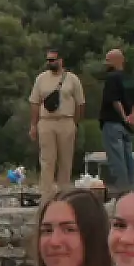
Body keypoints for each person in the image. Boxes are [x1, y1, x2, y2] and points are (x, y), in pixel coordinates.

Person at [28, 48, 86, 199]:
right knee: (47, 159)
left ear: (60, 61)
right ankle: (46, 194)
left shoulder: (72, 79)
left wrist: (75, 123)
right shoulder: (41, 78)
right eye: (48, 60)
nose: (50, 63)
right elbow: (34, 102)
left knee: (65, 160)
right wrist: (33, 125)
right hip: (46, 122)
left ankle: (64, 193)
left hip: (66, 120)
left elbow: (80, 103)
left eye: (53, 60)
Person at [98, 49, 134, 193]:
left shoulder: (112, 78)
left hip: (113, 123)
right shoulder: (129, 79)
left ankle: (122, 193)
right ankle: (132, 190)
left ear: (117, 60)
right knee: (129, 160)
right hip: (127, 128)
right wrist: (132, 118)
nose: (106, 63)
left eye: (108, 60)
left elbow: (114, 101)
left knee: (117, 161)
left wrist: (123, 117)